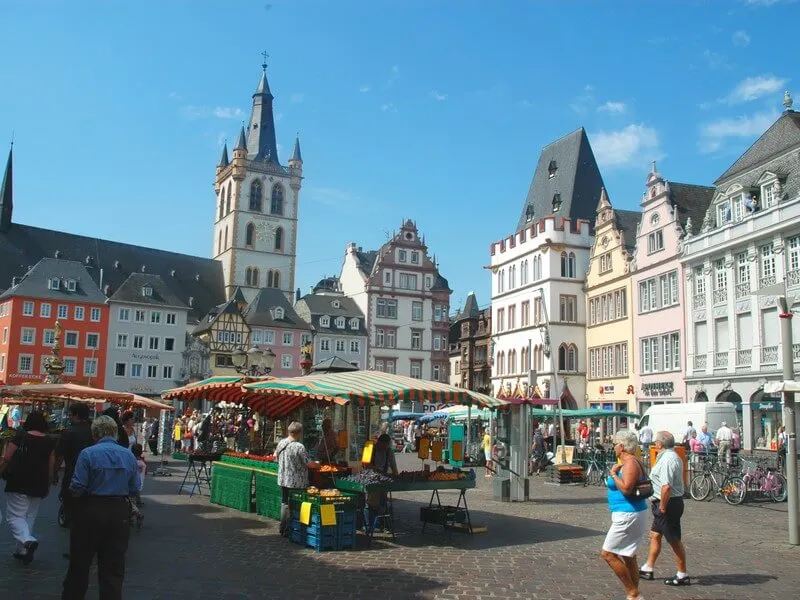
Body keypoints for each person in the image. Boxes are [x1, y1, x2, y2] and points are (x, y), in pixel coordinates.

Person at [61, 415, 139, 600]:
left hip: (90, 509)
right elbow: (134, 487)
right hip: (118, 511)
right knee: (113, 567)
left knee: (79, 564)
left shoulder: (88, 454)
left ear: (95, 433)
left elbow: (77, 487)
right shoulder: (128, 454)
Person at [0, 411, 56, 565]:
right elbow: (51, 464)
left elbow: (7, 458)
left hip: (19, 481)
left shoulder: (21, 436)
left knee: (14, 516)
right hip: (39, 482)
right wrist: (49, 483)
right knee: (29, 516)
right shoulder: (50, 441)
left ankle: (27, 541)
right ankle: (22, 550)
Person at [601, 430, 648, 600]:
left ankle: (632, 592)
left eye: (615, 445)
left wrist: (613, 474)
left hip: (628, 514)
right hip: (629, 512)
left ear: (621, 446)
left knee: (608, 554)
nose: (614, 448)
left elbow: (627, 488)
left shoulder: (630, 463)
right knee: (628, 555)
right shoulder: (628, 461)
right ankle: (634, 594)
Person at [639, 431, 689, 587]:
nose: (654, 444)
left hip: (667, 503)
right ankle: (648, 567)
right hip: (664, 502)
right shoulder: (670, 456)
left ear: (660, 444)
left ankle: (682, 574)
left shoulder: (667, 459)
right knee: (655, 535)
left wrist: (662, 507)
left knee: (674, 539)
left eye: (656, 441)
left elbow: (666, 486)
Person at [53, 403, 94, 528]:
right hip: (92, 472)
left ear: (76, 415)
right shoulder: (94, 432)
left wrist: (54, 472)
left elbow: (59, 456)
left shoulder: (68, 432)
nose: (69, 417)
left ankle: (69, 515)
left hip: (72, 471)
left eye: (70, 415)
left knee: (69, 496)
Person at [275, 422, 313, 537]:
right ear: (299, 433)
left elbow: (275, 457)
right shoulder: (299, 446)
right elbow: (308, 463)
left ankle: (283, 527)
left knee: (285, 503)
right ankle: (293, 528)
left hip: (283, 479)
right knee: (297, 504)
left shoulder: (281, 443)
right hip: (296, 481)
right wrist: (318, 465)